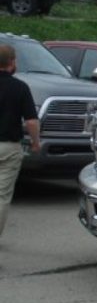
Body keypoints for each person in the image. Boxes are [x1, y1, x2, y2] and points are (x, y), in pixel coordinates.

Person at [0, 44, 40, 237]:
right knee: (2, 195)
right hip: (8, 147)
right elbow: (31, 121)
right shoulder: (20, 87)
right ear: (12, 62)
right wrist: (35, 142)